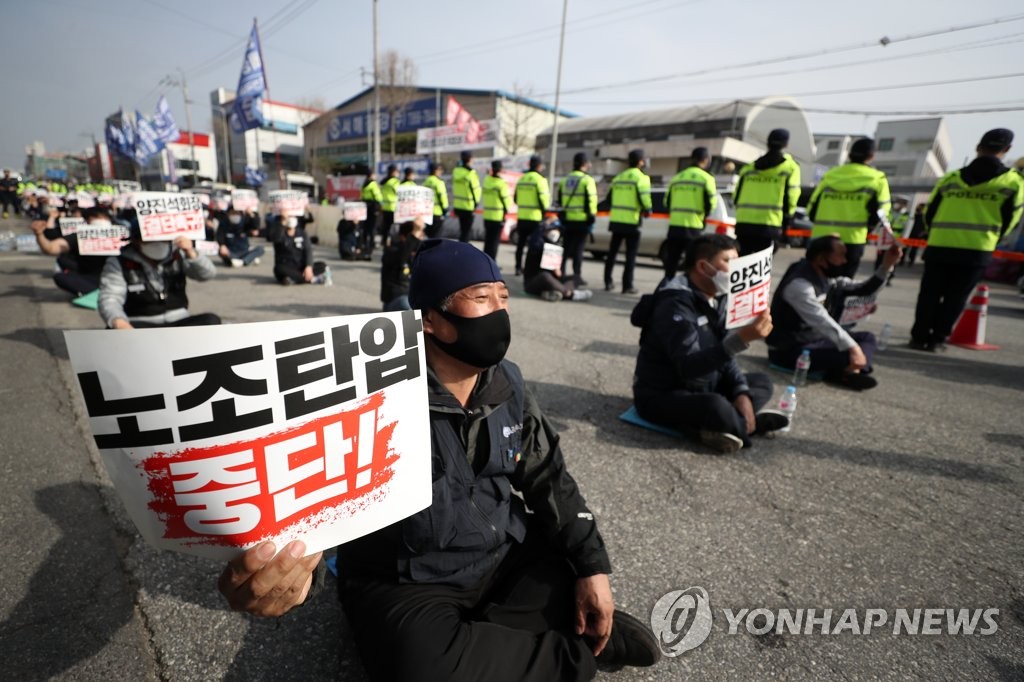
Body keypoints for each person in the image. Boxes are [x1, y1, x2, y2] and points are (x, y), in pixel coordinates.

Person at [217, 239, 661, 681]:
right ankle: (578, 649)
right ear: (431, 319)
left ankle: (533, 633)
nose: (499, 313)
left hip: (500, 553)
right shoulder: (370, 395)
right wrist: (292, 579)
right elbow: (312, 510)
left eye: (503, 298)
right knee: (421, 667)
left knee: (570, 572)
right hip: (406, 581)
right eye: (481, 298)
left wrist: (592, 567)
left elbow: (548, 474)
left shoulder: (508, 380)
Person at [630, 234, 787, 454]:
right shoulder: (675, 304)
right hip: (665, 392)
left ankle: (734, 422)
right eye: (729, 261)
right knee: (717, 407)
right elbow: (688, 367)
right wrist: (741, 339)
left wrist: (741, 392)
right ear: (704, 267)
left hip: (704, 383)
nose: (737, 268)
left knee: (761, 382)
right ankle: (746, 425)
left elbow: (724, 354)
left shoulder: (719, 296)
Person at [909, 128, 1024, 352]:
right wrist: (993, 238)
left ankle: (919, 337)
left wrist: (934, 232)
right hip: (977, 248)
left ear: (978, 147)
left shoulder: (952, 178)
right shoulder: (1013, 183)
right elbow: (1011, 220)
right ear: (1007, 150)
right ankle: (937, 339)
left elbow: (930, 212)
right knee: (956, 297)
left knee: (929, 295)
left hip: (941, 244)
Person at [767, 235, 901, 390]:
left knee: (867, 338)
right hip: (789, 350)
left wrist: (886, 266)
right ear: (821, 258)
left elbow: (863, 289)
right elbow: (822, 321)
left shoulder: (826, 276)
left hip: (815, 340)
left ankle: (848, 372)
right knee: (851, 353)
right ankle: (848, 372)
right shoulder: (800, 285)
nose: (845, 261)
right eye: (841, 255)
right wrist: (853, 348)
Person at [98, 229, 220, 329]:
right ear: (136, 241)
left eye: (162, 239)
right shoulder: (119, 262)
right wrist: (118, 320)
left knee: (210, 321)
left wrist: (191, 252)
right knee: (112, 329)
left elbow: (207, 274)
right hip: (140, 324)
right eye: (150, 240)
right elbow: (110, 298)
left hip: (179, 321)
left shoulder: (178, 254)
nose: (158, 243)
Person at [808, 138, 892, 278]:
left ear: (849, 154)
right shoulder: (877, 179)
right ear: (871, 156)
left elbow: (811, 210)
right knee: (842, 289)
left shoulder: (831, 174)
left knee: (811, 283)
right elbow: (882, 213)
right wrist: (869, 228)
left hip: (821, 239)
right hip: (852, 241)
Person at [733, 128, 801, 256]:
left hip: (744, 225)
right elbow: (792, 197)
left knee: (741, 264)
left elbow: (736, 197)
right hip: (770, 225)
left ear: (767, 143)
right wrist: (788, 221)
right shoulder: (790, 168)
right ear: (786, 144)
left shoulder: (748, 168)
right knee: (761, 269)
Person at [662, 147, 717, 280]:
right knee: (691, 264)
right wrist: (703, 216)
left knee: (671, 263)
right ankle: (685, 291)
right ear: (705, 160)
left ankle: (665, 290)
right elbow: (711, 204)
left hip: (675, 226)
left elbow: (666, 202)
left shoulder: (677, 177)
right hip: (693, 226)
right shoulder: (706, 178)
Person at [603, 149, 652, 294]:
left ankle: (608, 282)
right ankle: (627, 285)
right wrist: (648, 209)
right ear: (640, 161)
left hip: (616, 221)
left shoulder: (618, 178)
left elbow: (609, 199)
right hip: (632, 221)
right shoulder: (641, 178)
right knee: (630, 256)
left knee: (612, 253)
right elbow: (645, 199)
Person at [31, 207, 110, 296]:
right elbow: (51, 249)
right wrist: (39, 234)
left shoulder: (123, 234)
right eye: (95, 218)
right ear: (87, 221)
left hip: (117, 277)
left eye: (104, 218)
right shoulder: (78, 236)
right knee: (60, 275)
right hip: (90, 278)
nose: (101, 221)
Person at [523, 223, 593, 303]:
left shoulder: (556, 247)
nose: (555, 232)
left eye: (557, 230)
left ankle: (556, 292)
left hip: (551, 281)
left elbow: (558, 273)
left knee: (576, 277)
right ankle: (570, 294)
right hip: (533, 283)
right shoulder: (537, 245)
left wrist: (558, 271)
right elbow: (534, 240)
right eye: (552, 229)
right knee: (545, 276)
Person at [558, 152, 598, 286]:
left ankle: (560, 273)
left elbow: (560, 201)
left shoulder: (565, 179)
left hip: (567, 220)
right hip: (582, 220)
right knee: (578, 251)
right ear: (585, 164)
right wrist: (592, 216)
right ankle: (577, 276)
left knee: (565, 249)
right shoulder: (587, 180)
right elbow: (591, 200)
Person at [513, 155, 551, 276]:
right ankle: (530, 270)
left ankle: (518, 267)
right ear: (539, 165)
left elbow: (516, 199)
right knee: (533, 246)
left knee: (520, 245)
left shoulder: (522, 179)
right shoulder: (540, 180)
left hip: (522, 217)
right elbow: (544, 202)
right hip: (535, 218)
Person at [269, 214, 329, 285]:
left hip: (300, 266)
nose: (290, 219)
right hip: (286, 266)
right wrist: (283, 222)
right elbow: (273, 238)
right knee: (279, 269)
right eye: (289, 217)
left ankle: (293, 280)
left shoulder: (302, 233)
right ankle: (311, 279)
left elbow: (308, 250)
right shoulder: (280, 233)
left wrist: (308, 266)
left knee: (322, 266)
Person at [379, 217, 424, 311]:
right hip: (395, 299)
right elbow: (401, 258)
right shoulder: (392, 251)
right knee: (409, 308)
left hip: (412, 297)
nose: (419, 239)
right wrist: (414, 234)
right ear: (404, 237)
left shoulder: (416, 253)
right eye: (417, 237)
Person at [875, 196, 909, 285]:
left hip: (896, 241)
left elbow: (906, 229)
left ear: (904, 204)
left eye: (899, 202)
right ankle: (876, 277)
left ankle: (888, 278)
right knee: (880, 258)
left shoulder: (906, 215)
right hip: (885, 239)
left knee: (893, 259)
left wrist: (902, 241)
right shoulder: (890, 212)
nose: (897, 204)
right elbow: (882, 224)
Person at [482, 159, 512, 260]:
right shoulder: (501, 183)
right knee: (494, 243)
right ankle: (492, 263)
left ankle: (485, 261)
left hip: (487, 215)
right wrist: (507, 210)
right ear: (500, 169)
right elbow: (506, 201)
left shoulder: (486, 180)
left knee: (487, 241)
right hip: (498, 217)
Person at [452, 150, 481, 242]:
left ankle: (460, 250)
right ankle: (463, 252)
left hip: (458, 205)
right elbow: (475, 189)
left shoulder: (456, 171)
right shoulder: (471, 173)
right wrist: (476, 203)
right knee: (466, 232)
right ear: (470, 159)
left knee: (462, 231)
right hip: (468, 206)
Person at [422, 162, 449, 238]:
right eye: (440, 170)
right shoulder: (438, 182)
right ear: (435, 170)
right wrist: (445, 209)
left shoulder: (426, 182)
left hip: (427, 213)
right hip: (437, 213)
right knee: (437, 236)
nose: (441, 172)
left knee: (429, 236)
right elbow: (442, 196)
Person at [361, 171, 384, 252]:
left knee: (365, 227)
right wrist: (381, 204)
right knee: (373, 227)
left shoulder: (365, 184)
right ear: (371, 175)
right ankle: (371, 243)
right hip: (374, 206)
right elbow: (378, 196)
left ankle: (364, 243)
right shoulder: (373, 184)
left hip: (366, 206)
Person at [377, 166, 397, 241]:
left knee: (386, 226)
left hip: (384, 207)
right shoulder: (395, 181)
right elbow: (399, 192)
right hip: (393, 207)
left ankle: (384, 241)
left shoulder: (383, 182)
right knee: (394, 227)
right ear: (393, 172)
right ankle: (392, 242)